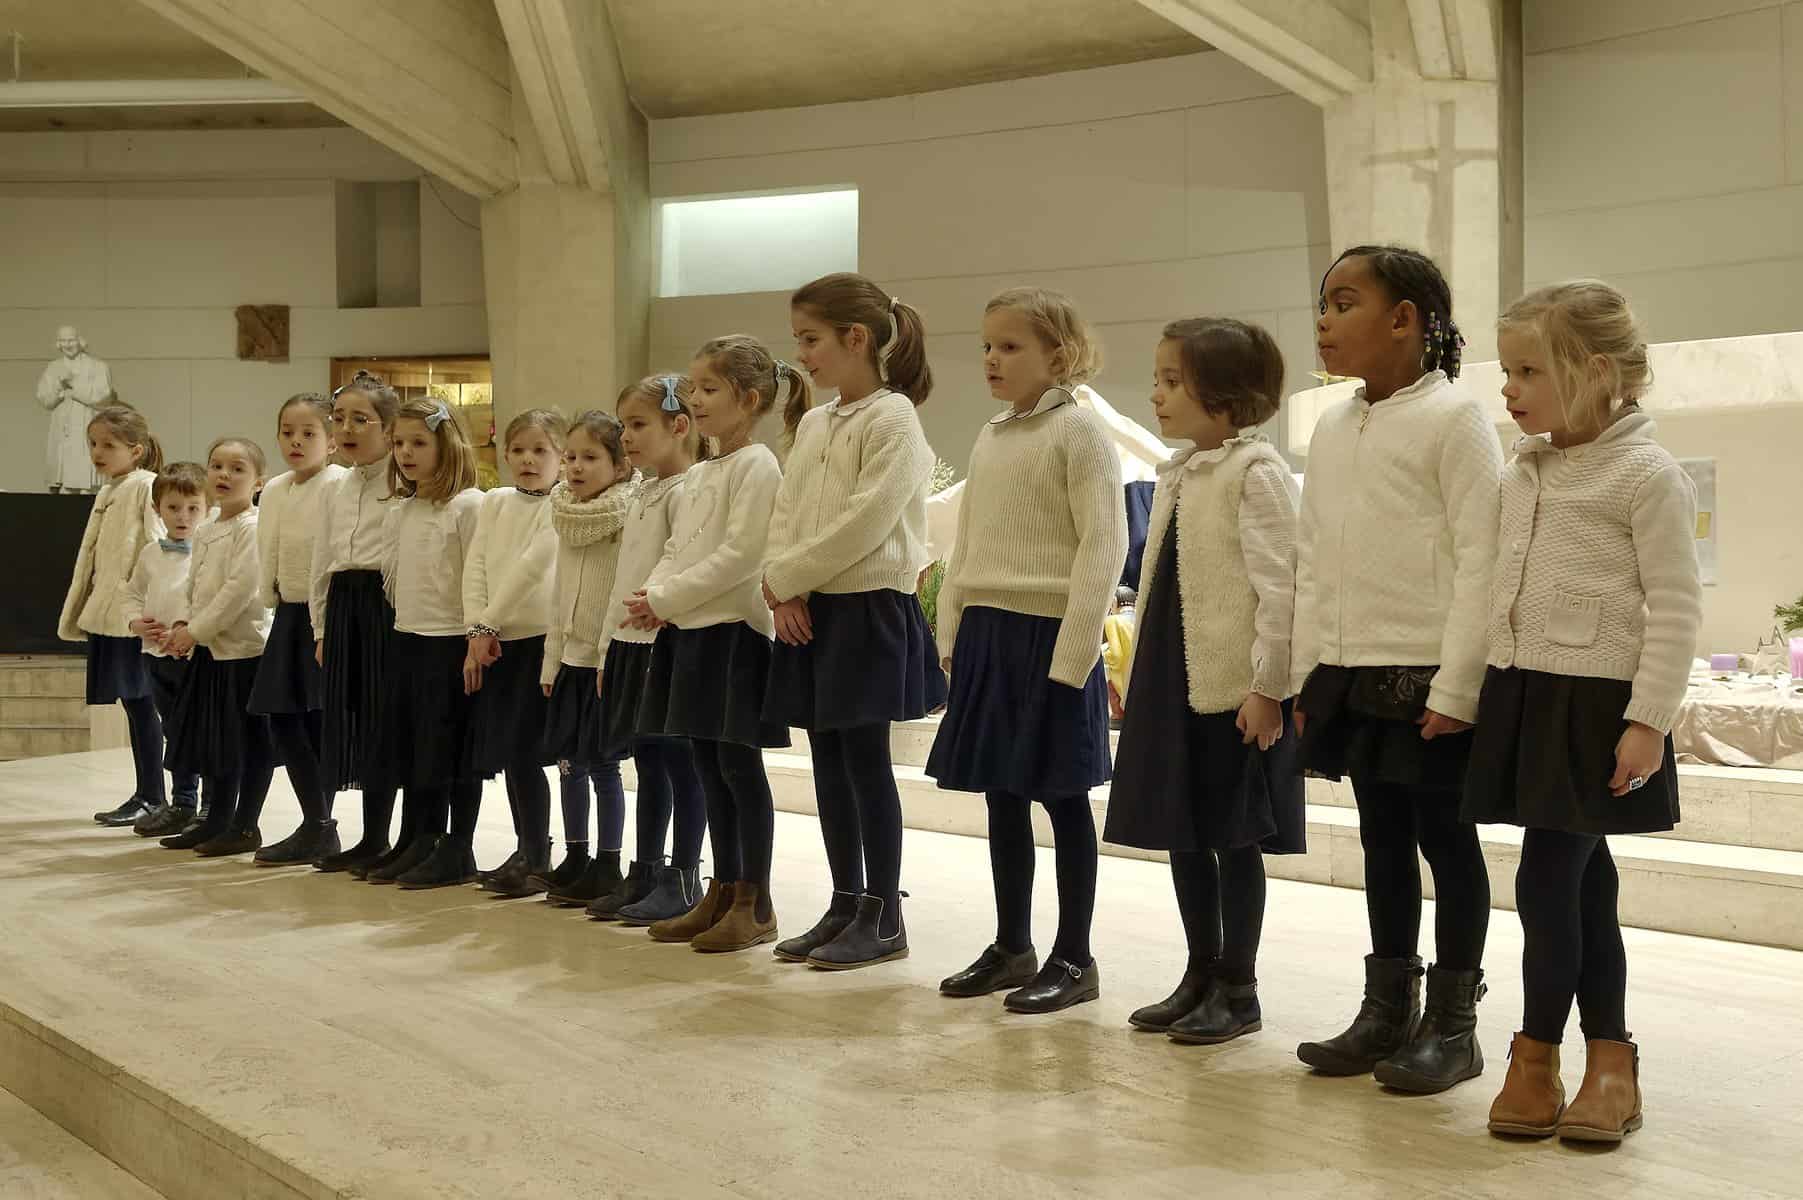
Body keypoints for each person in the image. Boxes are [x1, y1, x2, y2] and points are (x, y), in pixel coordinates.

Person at [1469, 281, 1701, 1143]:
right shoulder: (1520, 469)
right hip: (1524, 693)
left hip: (1596, 705)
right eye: (1506, 371)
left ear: (1597, 372)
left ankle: (1535, 1053)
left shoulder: (1647, 474)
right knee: (1584, 885)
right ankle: (1609, 1059)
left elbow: (1674, 606)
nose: (1508, 388)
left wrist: (1649, 719)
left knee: (1545, 878)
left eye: (1528, 371)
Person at [1292, 245, 1502, 1094]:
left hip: (1426, 674)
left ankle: (1453, 1028)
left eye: (1344, 304)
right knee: (1380, 840)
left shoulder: (1455, 418)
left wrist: (1457, 685)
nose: (1323, 321)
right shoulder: (1330, 425)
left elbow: (1482, 560)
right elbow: (1311, 557)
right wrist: (1308, 672)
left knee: (1446, 843)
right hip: (1350, 670)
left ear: (1404, 319)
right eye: (1322, 303)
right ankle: (1385, 1012)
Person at [1105, 318, 1306, 1044]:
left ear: (1223, 393)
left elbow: (1282, 589)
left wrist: (1268, 686)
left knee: (1232, 836)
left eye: (1172, 381)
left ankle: (1238, 987)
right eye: (1157, 379)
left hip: (1227, 686)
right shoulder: (1179, 471)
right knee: (1182, 831)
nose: (1156, 394)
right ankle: (1199, 972)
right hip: (1172, 675)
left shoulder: (1256, 474)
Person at [926, 287, 1127, 1014]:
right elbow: (969, 541)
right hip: (989, 634)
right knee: (1001, 795)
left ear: (1059, 354)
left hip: (1050, 636)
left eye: (1010, 346)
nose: (991, 359)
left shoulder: (1079, 433)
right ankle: (1013, 945)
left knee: (1063, 799)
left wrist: (1072, 658)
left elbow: (1103, 548)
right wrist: (952, 628)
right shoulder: (991, 435)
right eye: (986, 345)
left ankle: (1075, 956)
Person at [764, 273, 944, 970]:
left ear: (856, 338)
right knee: (827, 764)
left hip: (866, 607)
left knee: (866, 764)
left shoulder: (893, 419)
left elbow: (866, 519)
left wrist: (789, 578)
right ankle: (844, 902)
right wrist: (782, 590)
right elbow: (787, 512)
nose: (801, 355)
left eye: (811, 339)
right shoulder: (815, 422)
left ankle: (884, 914)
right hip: (809, 607)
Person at [630, 335, 797, 953]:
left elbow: (742, 555)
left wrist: (666, 598)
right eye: (692, 388)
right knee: (706, 767)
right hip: (690, 634)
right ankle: (721, 891)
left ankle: (755, 902)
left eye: (708, 389)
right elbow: (680, 547)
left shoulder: (758, 465)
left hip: (734, 636)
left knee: (738, 769)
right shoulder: (701, 472)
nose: (694, 399)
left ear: (748, 399)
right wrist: (654, 593)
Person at [590, 377, 708, 925]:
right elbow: (621, 576)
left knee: (681, 762)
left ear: (679, 426)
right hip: (630, 641)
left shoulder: (689, 489)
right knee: (648, 761)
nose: (627, 437)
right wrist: (606, 648)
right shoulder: (642, 490)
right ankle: (645, 871)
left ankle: (683, 876)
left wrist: (656, 604)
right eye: (623, 426)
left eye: (638, 425)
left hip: (666, 639)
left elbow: (680, 561)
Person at [367, 398, 484, 888]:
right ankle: (417, 837)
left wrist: (476, 635)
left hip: (452, 641)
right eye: (399, 443)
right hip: (410, 636)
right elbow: (394, 577)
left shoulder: (469, 505)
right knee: (415, 745)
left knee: (451, 748)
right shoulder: (404, 508)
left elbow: (478, 575)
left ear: (448, 445)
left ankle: (457, 847)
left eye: (419, 442)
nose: (405, 453)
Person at [532, 411, 638, 906]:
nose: (575, 467)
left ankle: (608, 862)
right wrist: (551, 659)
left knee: (603, 766)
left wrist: (605, 657)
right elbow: (560, 594)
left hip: (602, 662)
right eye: (571, 456)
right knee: (568, 764)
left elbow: (619, 593)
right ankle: (576, 855)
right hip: (569, 660)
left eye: (590, 457)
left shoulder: (626, 516)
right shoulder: (565, 514)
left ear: (620, 466)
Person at [158, 437, 275, 857]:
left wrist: (197, 630)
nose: (224, 474)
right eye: (217, 466)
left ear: (258, 481)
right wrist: (184, 623)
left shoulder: (253, 526)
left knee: (251, 743)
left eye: (237, 468)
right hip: (210, 650)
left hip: (244, 651)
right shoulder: (208, 527)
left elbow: (239, 590)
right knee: (219, 741)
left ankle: (246, 825)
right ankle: (217, 820)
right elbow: (195, 586)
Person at [464, 410, 563, 899]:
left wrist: (488, 622)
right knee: (509, 752)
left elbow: (532, 568)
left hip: (537, 640)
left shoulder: (563, 503)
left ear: (561, 457)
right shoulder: (495, 502)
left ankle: (540, 853)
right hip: (495, 641)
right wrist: (475, 630)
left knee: (528, 750)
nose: (528, 459)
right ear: (504, 454)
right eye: (519, 450)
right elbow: (477, 565)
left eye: (540, 450)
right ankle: (526, 847)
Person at [247, 394, 348, 866]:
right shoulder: (275, 489)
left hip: (325, 613)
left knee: (318, 720)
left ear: (331, 441)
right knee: (281, 715)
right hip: (288, 612)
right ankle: (317, 821)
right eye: (288, 432)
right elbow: (267, 550)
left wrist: (325, 621)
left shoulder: (338, 484)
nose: (296, 441)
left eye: (309, 433)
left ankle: (319, 825)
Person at [309, 372, 403, 876]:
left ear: (388, 428)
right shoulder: (336, 486)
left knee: (385, 722)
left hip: (386, 604)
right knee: (356, 721)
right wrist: (321, 628)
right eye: (339, 418)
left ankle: (396, 838)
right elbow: (322, 559)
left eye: (361, 419)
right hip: (344, 605)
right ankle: (370, 837)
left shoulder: (402, 480)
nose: (346, 428)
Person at [58, 406, 167, 827]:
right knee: (134, 704)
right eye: (92, 444)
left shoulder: (145, 486)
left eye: (108, 444)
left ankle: (155, 797)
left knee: (144, 703)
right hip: (111, 615)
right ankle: (147, 794)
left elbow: (160, 545)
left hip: (133, 617)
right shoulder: (111, 490)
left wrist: (148, 607)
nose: (97, 452)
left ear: (136, 450)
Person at [122, 462, 208, 837]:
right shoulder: (150, 554)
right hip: (155, 656)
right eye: (173, 507)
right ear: (158, 509)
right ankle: (182, 803)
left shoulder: (209, 550)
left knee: (202, 730)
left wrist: (188, 631)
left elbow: (211, 599)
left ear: (207, 508)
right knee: (173, 730)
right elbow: (130, 594)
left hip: (195, 656)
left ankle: (211, 808)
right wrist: (135, 622)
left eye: (192, 508)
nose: (183, 516)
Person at [38, 326, 115, 493]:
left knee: (86, 484)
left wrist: (73, 387)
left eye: (71, 340)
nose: (67, 345)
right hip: (62, 431)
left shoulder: (97, 366)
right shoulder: (54, 367)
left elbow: (104, 397)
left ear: (80, 341)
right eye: (63, 341)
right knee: (63, 485)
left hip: (86, 427)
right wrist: (59, 392)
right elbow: (44, 398)